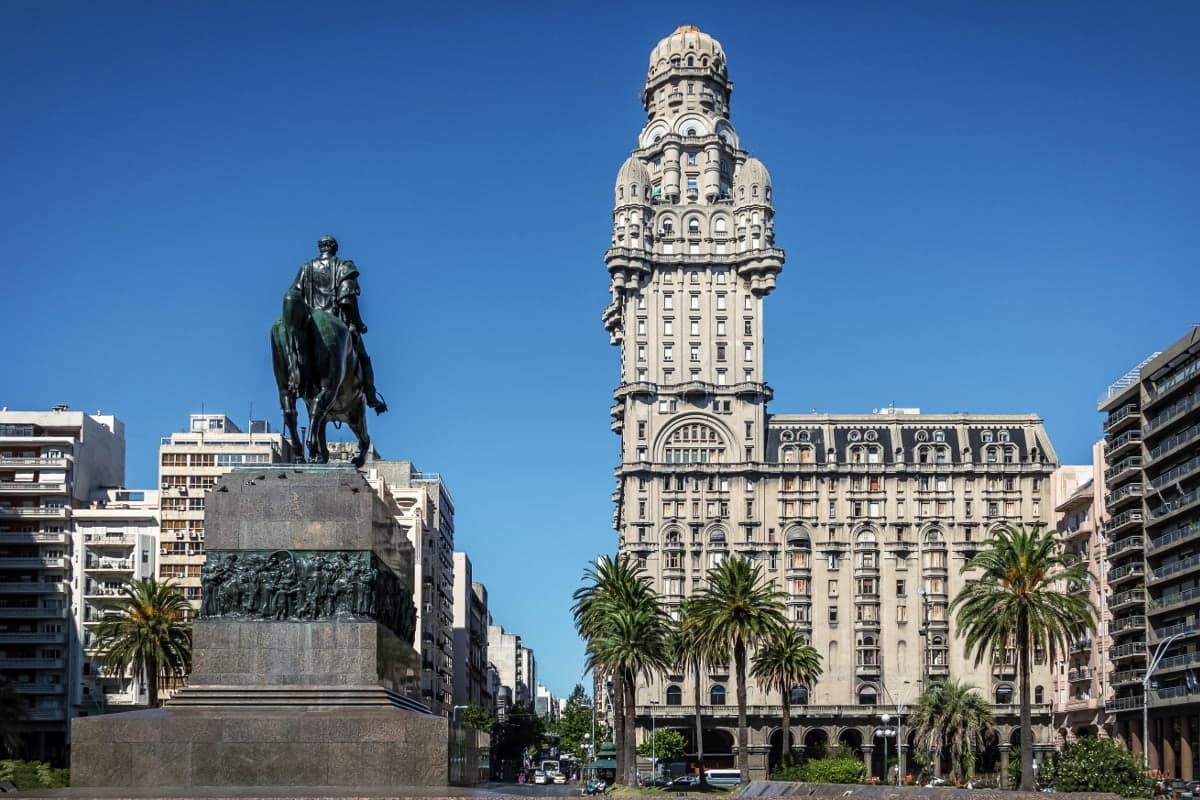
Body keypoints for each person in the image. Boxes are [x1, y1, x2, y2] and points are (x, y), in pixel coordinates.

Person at [286, 235, 387, 413]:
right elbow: (347, 301)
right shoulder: (343, 266)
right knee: (363, 358)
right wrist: (358, 324)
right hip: (338, 324)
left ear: (320, 248)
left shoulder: (306, 268)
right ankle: (371, 397)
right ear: (334, 248)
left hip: (310, 325)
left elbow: (294, 294)